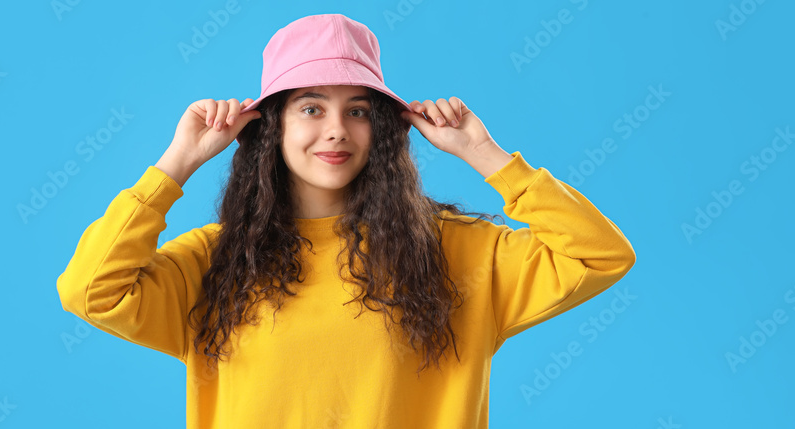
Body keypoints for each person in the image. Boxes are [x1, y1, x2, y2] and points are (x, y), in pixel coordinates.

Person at [56, 13, 635, 428]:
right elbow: (91, 291)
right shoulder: (216, 261)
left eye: (358, 110)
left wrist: (484, 154)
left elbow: (600, 255)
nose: (336, 129)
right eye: (311, 106)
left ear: (380, 130)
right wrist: (176, 164)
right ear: (271, 127)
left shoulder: (457, 253)